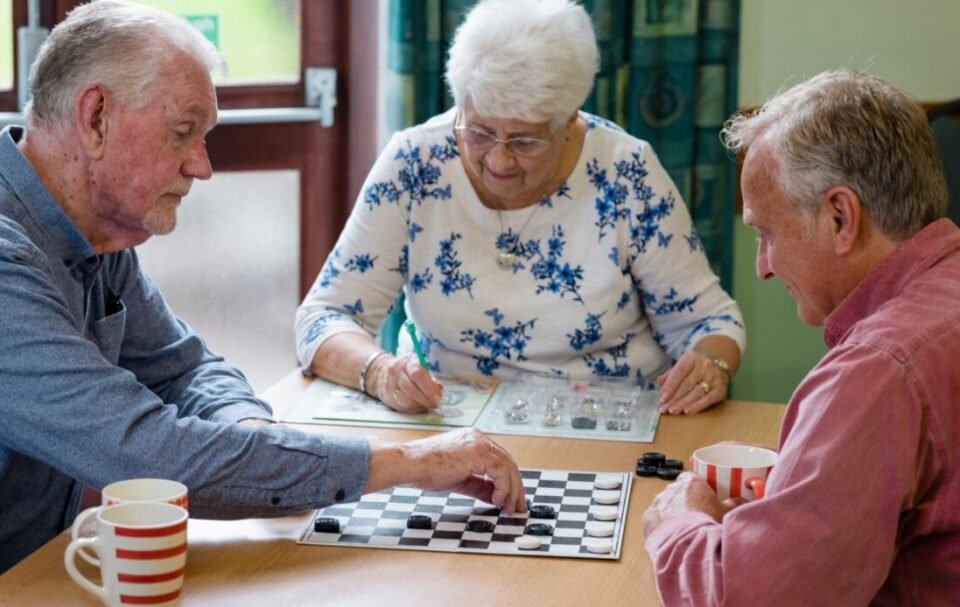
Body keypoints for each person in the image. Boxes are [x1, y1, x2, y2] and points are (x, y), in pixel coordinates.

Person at [0, 2, 526, 603]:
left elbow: (184, 368)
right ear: (95, 118)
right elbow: (142, 452)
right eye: (182, 132)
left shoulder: (93, 227)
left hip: (31, 568)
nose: (203, 166)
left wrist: (254, 437)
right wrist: (414, 462)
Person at [295, 0, 745, 417]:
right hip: (447, 424)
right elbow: (323, 318)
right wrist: (379, 372)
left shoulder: (626, 171)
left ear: (568, 119)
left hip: (605, 422)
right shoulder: (415, 163)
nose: (499, 160)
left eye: (525, 141)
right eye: (479, 133)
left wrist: (710, 365)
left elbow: (709, 322)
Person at [642, 69, 960, 606]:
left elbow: (751, 599)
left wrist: (677, 522)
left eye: (765, 233)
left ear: (840, 217)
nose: (763, 267)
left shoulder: (879, 369)